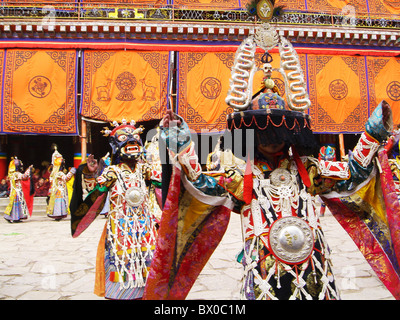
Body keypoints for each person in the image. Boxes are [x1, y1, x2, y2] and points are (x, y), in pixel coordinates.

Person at [143, 24, 395, 300]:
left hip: (313, 265)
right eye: (263, 133)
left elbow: (353, 174)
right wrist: (182, 143)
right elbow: (201, 185)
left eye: (278, 132)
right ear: (250, 136)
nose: (272, 140)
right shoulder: (238, 176)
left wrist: (372, 133)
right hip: (263, 266)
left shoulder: (309, 170)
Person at [70, 120, 159, 300]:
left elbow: (162, 187)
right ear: (115, 145)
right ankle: (120, 294)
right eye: (125, 139)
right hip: (120, 226)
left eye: (135, 140)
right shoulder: (112, 172)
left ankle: (145, 293)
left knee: (147, 259)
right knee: (121, 261)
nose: (132, 143)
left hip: (144, 226)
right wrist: (90, 174)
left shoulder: (145, 170)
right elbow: (96, 193)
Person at [46, 147, 76, 221]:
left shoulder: (54, 173)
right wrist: (71, 172)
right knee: (59, 202)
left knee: (58, 202)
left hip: (57, 190)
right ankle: (58, 214)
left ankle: (58, 214)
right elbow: (66, 178)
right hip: (59, 191)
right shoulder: (59, 173)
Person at [4, 158, 34, 222]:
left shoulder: (12, 174)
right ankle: (14, 217)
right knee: (16, 205)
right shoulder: (17, 174)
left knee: (14, 205)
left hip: (14, 191)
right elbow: (24, 177)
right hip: (17, 192)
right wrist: (29, 169)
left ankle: (13, 217)